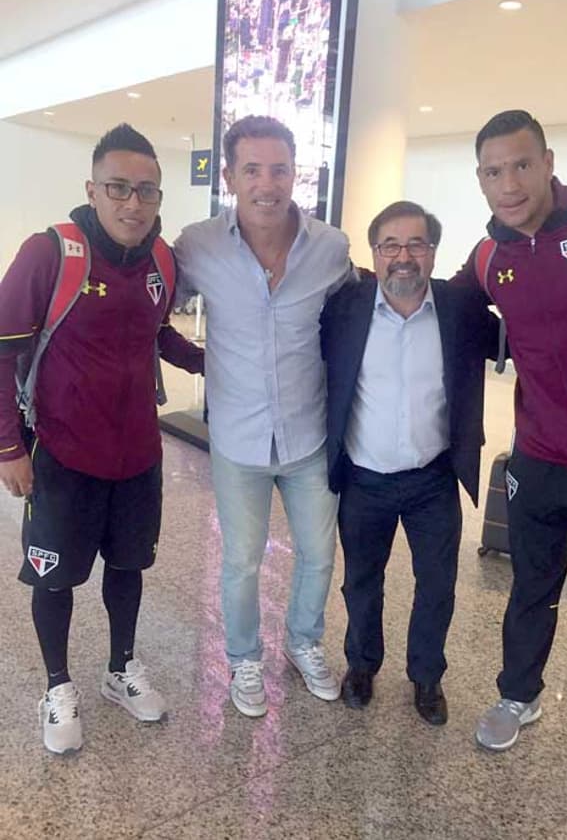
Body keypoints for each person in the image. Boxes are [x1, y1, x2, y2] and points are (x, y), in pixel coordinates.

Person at [455, 109, 567, 808]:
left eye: (521, 164)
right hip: (539, 454)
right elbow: (452, 314)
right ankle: (517, 693)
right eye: (494, 171)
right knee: (531, 585)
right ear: (481, 179)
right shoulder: (487, 258)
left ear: (548, 160)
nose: (510, 182)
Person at [0, 124, 205, 755]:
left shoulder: (162, 259)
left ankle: (121, 670)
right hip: (62, 456)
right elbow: (2, 353)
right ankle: (58, 687)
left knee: (128, 567)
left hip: (139, 456)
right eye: (118, 188)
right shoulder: (50, 253)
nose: (133, 203)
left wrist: (205, 360)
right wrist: (9, 447)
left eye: (146, 190)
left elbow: (154, 335)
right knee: (54, 578)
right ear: (93, 189)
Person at [174, 115, 351, 718]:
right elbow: (147, 310)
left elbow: (351, 330)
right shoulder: (197, 246)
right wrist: (195, 363)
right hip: (238, 440)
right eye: (252, 170)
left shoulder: (331, 248)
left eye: (278, 169)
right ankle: (245, 659)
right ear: (229, 176)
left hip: (309, 436)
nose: (267, 183)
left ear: (295, 173)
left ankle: (304, 642)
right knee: (242, 560)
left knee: (319, 553)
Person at [320, 201, 498, 723]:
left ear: (433, 253)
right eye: (390, 245)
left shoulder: (460, 309)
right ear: (374, 253)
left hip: (433, 478)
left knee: (438, 584)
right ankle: (361, 665)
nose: (403, 256)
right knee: (361, 581)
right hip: (364, 478)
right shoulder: (346, 308)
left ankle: (426, 677)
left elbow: (529, 340)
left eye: (416, 244)